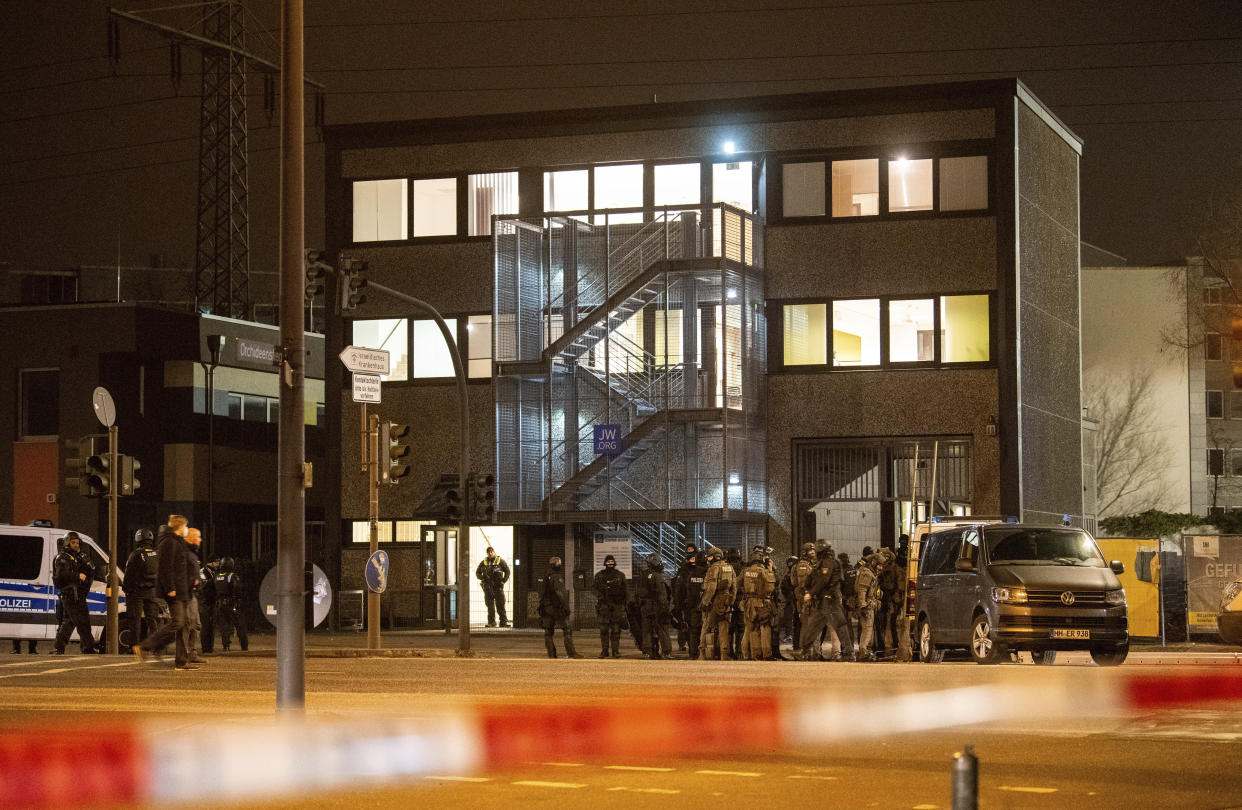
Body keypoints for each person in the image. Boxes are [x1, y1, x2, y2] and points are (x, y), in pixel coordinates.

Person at [136, 516, 195, 669]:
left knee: (184, 623)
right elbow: (165, 567)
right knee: (177, 623)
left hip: (182, 590)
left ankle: (181, 660)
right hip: (175, 591)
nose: (186, 529)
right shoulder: (168, 542)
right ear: (179, 527)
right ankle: (146, 647)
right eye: (185, 526)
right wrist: (170, 588)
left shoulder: (176, 541)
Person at [800, 547, 856, 662]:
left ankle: (806, 652)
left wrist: (810, 592)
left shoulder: (824, 565)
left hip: (827, 601)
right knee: (837, 627)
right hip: (827, 601)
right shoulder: (826, 565)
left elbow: (820, 582)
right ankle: (847, 653)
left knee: (817, 628)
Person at [52, 532, 97, 654]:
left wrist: (84, 558)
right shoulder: (63, 558)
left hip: (77, 594)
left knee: (69, 622)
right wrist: (78, 575)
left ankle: (59, 647)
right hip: (70, 594)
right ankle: (88, 647)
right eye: (73, 543)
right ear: (67, 543)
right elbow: (61, 574)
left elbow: (92, 568)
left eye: (77, 543)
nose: (76, 545)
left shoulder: (76, 556)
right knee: (82, 621)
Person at [537, 556, 582, 659]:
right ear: (557, 564)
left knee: (548, 632)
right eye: (560, 563)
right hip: (556, 608)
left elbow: (541, 592)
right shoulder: (556, 576)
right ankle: (571, 653)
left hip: (546, 607)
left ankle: (552, 654)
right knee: (567, 629)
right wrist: (566, 607)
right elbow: (560, 593)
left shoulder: (545, 575)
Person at [122, 528, 160, 649]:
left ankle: (135, 647)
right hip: (152, 591)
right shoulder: (156, 553)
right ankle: (155, 646)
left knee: (135, 620)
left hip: (137, 591)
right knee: (152, 620)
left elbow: (129, 575)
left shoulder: (136, 555)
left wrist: (126, 588)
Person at [698, 547, 736, 660]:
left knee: (706, 627)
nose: (708, 559)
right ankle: (724, 654)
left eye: (710, 556)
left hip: (714, 601)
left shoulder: (713, 568)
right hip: (726, 602)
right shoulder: (729, 567)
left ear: (715, 556)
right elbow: (734, 587)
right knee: (724, 628)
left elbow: (711, 588)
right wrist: (731, 601)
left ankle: (702, 653)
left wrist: (705, 602)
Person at [740, 546, 776, 660]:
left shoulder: (745, 571)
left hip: (749, 603)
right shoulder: (764, 571)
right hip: (762, 603)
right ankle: (766, 654)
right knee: (765, 629)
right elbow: (770, 588)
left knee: (750, 629)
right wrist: (770, 570)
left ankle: (750, 655)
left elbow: (736, 584)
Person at [636, 554, 672, 659]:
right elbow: (661, 594)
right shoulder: (657, 576)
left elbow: (638, 592)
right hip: (657, 606)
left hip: (645, 607)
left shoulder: (643, 575)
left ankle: (648, 651)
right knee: (662, 629)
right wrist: (665, 607)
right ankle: (666, 652)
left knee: (646, 630)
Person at [674, 547, 707, 659]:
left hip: (692, 607)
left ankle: (693, 654)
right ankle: (706, 653)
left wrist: (681, 604)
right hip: (706, 607)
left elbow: (684, 590)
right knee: (706, 630)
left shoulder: (691, 574)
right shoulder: (709, 572)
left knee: (693, 630)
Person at [592, 554, 627, 658]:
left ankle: (615, 651)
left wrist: (624, 604)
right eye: (608, 562)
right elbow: (594, 588)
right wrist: (600, 596)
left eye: (612, 562)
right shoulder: (599, 575)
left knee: (616, 631)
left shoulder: (620, 575)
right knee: (604, 630)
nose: (610, 564)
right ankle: (605, 651)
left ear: (614, 563)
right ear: (605, 563)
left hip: (616, 607)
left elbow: (625, 590)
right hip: (604, 607)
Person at [213, 557, 248, 652]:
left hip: (220, 604)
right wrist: (238, 601)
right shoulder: (231, 576)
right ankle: (244, 647)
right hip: (232, 604)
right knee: (240, 626)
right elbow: (237, 589)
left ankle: (226, 646)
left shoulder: (217, 576)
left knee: (224, 627)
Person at [184, 528, 207, 664]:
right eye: (197, 537)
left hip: (192, 594)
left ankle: (191, 653)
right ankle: (183, 655)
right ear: (190, 538)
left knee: (196, 624)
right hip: (186, 595)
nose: (200, 540)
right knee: (187, 625)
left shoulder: (192, 554)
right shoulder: (185, 553)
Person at [790, 543, 817, 656]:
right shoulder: (803, 565)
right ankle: (805, 652)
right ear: (805, 552)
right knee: (806, 626)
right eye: (810, 551)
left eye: (813, 550)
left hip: (809, 598)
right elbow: (803, 584)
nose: (813, 552)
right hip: (806, 599)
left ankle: (809, 652)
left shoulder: (811, 564)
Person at [670, 541, 697, 651]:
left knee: (692, 624)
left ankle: (692, 645)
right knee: (684, 623)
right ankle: (683, 644)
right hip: (685, 600)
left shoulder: (699, 567)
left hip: (694, 600)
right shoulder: (683, 567)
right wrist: (677, 601)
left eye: (691, 549)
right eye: (688, 550)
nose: (690, 552)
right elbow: (678, 584)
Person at [475, 546, 511, 627]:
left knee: (500, 605)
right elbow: (477, 573)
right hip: (488, 587)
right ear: (487, 553)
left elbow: (507, 571)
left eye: (491, 552)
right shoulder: (484, 562)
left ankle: (503, 622)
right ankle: (491, 622)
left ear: (494, 552)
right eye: (488, 552)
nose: (490, 553)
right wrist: (483, 577)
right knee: (490, 606)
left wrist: (503, 581)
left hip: (498, 586)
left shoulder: (500, 561)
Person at [855, 554, 881, 661]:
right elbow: (862, 590)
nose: (881, 568)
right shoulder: (867, 574)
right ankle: (863, 651)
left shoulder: (870, 573)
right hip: (867, 605)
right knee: (867, 629)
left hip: (869, 604)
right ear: (874, 563)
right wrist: (863, 606)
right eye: (879, 565)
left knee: (868, 629)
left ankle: (864, 650)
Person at [725, 548, 745, 659]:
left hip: (728, 601)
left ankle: (729, 652)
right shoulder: (743, 567)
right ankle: (740, 652)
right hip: (741, 601)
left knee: (729, 628)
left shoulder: (725, 567)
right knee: (741, 628)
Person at [199, 557, 220, 654]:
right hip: (204, 602)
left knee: (212, 626)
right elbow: (203, 586)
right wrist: (214, 580)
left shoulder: (215, 572)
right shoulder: (203, 571)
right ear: (211, 562)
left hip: (212, 602)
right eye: (217, 562)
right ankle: (205, 648)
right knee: (205, 625)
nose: (218, 564)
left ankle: (210, 648)